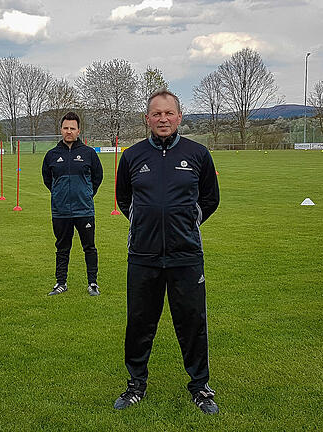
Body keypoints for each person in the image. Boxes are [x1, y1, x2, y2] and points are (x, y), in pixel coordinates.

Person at [113, 89, 220, 414]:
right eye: (156, 114)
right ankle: (135, 385)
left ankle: (200, 388)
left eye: (168, 113)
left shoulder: (198, 155)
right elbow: (123, 198)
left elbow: (210, 199)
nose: (162, 119)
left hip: (186, 256)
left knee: (192, 322)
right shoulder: (132, 156)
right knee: (139, 322)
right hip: (143, 257)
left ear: (179, 117)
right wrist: (144, 224)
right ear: (147, 118)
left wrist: (188, 221)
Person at [42, 112, 103, 296]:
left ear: (78, 131)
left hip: (84, 209)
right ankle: (61, 283)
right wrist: (60, 194)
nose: (69, 131)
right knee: (62, 248)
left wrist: (86, 194)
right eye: (66, 128)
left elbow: (97, 177)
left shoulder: (89, 153)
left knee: (89, 247)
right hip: (60, 211)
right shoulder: (52, 155)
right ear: (61, 129)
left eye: (72, 128)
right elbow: (47, 180)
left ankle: (92, 283)